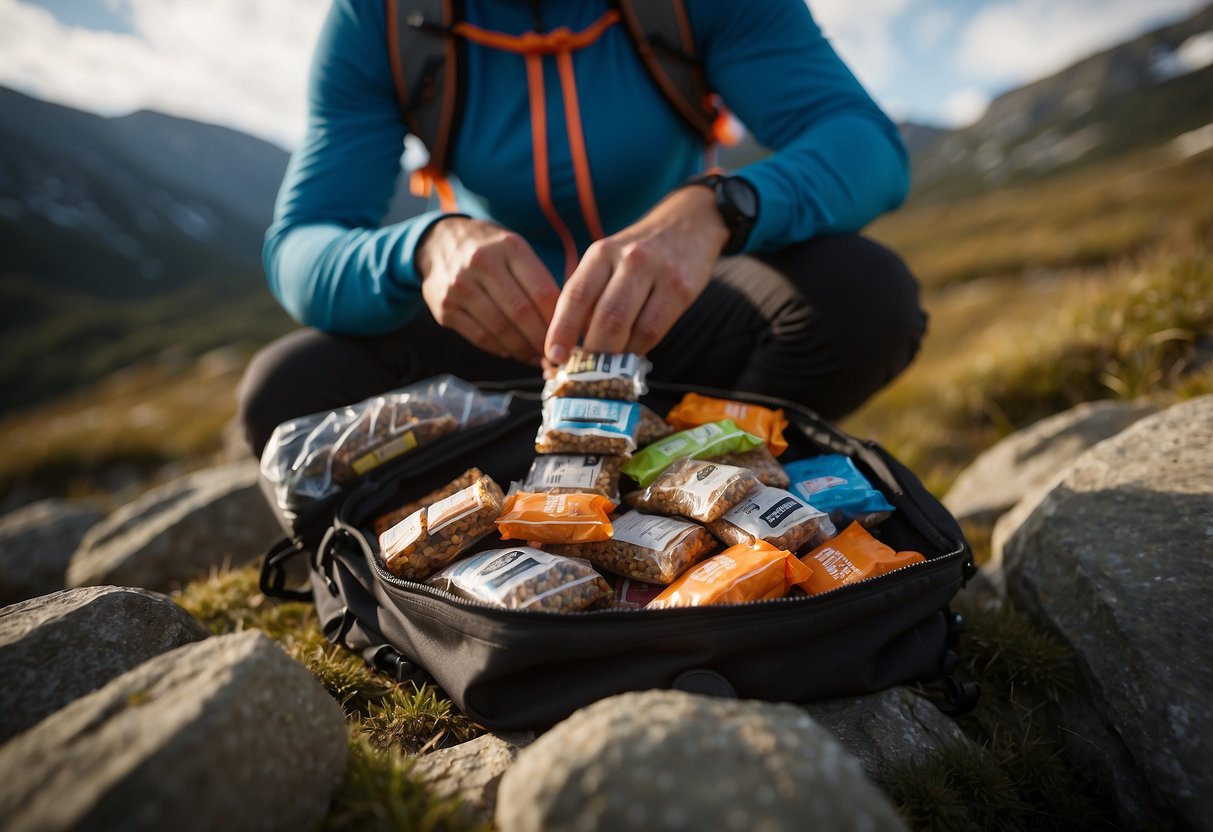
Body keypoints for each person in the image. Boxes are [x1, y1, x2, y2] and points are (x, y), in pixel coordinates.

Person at [239, 0, 927, 457]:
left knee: (861, 293)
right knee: (290, 391)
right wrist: (421, 247)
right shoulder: (380, 19)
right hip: (490, 357)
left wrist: (715, 208)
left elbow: (865, 146)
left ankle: (719, 480)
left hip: (673, 328)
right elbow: (302, 245)